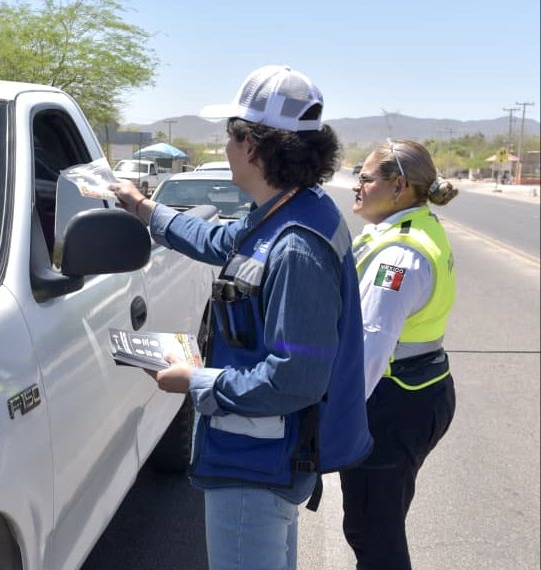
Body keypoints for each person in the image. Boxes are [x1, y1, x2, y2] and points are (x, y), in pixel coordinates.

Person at [112, 64, 372, 570]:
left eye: (230, 136)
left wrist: (197, 381)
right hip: (258, 457)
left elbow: (295, 378)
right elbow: (220, 242)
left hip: (256, 467)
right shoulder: (290, 210)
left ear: (252, 145)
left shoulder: (298, 246)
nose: (225, 148)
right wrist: (143, 208)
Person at [341, 139, 458, 570]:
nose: (357, 185)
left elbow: (371, 347)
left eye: (366, 178)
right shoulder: (412, 226)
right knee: (379, 523)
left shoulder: (399, 256)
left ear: (399, 186)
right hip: (420, 390)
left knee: (374, 533)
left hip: (392, 403)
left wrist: (338, 419)